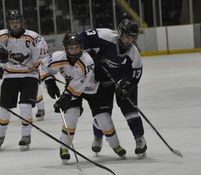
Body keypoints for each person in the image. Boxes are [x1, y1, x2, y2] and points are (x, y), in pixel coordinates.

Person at [40, 32, 126, 164]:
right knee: (71, 115)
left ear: (82, 47)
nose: (74, 51)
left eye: (77, 47)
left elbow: (78, 86)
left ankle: (115, 145)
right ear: (66, 48)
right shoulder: (57, 57)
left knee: (104, 119)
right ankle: (64, 148)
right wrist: (49, 82)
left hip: (92, 89)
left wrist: (64, 99)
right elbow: (43, 67)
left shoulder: (87, 61)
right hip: (73, 88)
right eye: (71, 48)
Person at [79, 18, 147, 159]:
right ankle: (98, 137)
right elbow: (82, 37)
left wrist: (127, 85)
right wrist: (89, 52)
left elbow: (135, 74)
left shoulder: (134, 54)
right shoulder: (105, 36)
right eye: (126, 36)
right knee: (102, 113)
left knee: (130, 109)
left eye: (132, 38)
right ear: (120, 33)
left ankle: (139, 138)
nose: (128, 40)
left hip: (121, 81)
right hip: (102, 81)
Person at [0, 10, 45, 151]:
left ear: (22, 22)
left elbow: (42, 56)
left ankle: (26, 136)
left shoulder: (33, 37)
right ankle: (0, 136)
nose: (15, 25)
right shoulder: (2, 34)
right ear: (8, 23)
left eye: (17, 22)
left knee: (25, 107)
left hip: (29, 76)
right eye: (12, 22)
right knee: (5, 109)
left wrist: (38, 68)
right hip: (10, 76)